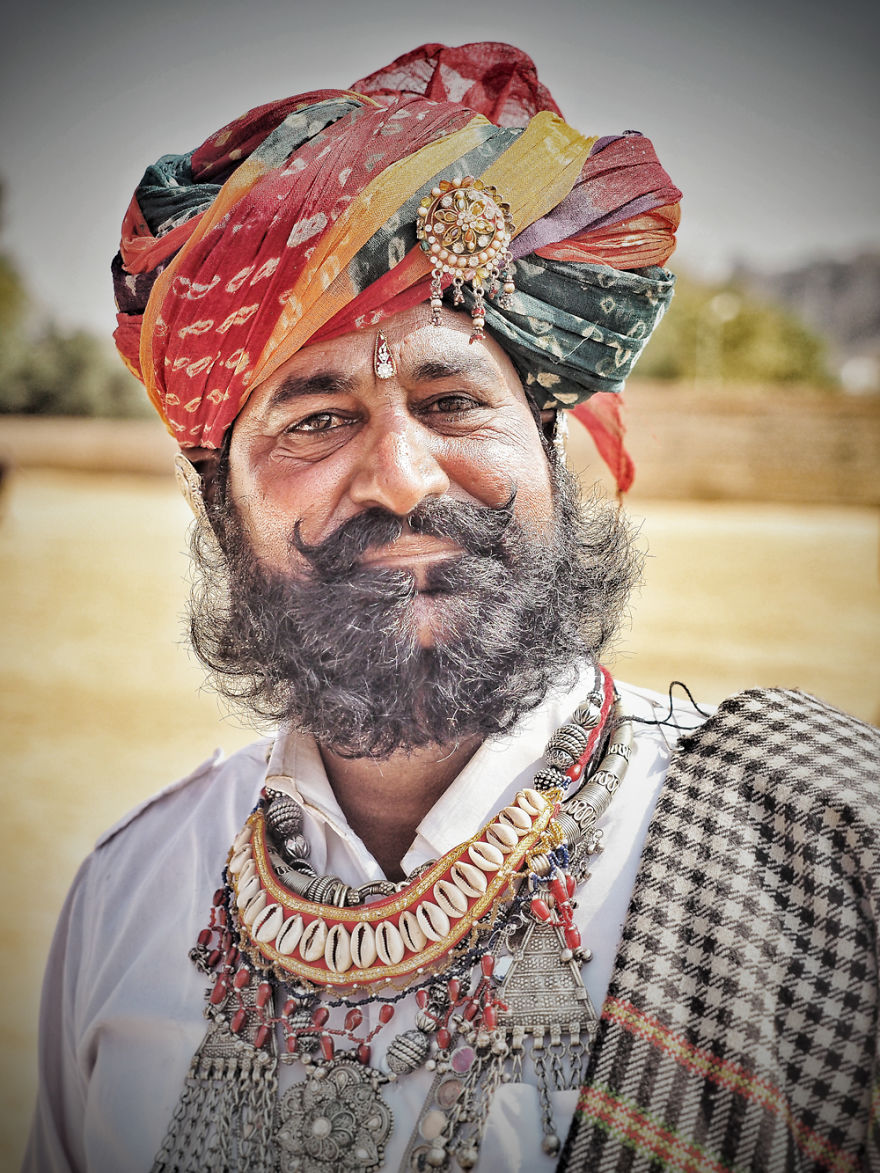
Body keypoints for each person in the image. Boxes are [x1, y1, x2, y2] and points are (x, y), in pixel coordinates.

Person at [25, 42, 879, 1173]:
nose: (403, 479)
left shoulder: (826, 852)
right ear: (220, 507)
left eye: (452, 399)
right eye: (315, 421)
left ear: (550, 451)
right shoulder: (127, 901)